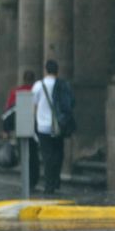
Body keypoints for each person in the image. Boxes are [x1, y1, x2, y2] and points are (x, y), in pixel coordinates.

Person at [32, 60, 72, 195]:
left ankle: (49, 184)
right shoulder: (62, 84)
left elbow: (33, 104)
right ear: (57, 70)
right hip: (59, 125)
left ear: (46, 70)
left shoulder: (38, 85)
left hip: (43, 126)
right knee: (58, 153)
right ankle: (55, 179)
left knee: (47, 155)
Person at [3, 70, 40, 190]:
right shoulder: (36, 92)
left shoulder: (15, 92)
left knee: (24, 156)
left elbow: (8, 111)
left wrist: (6, 130)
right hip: (35, 130)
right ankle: (33, 180)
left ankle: (26, 180)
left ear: (23, 79)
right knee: (34, 156)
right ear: (33, 80)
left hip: (20, 128)